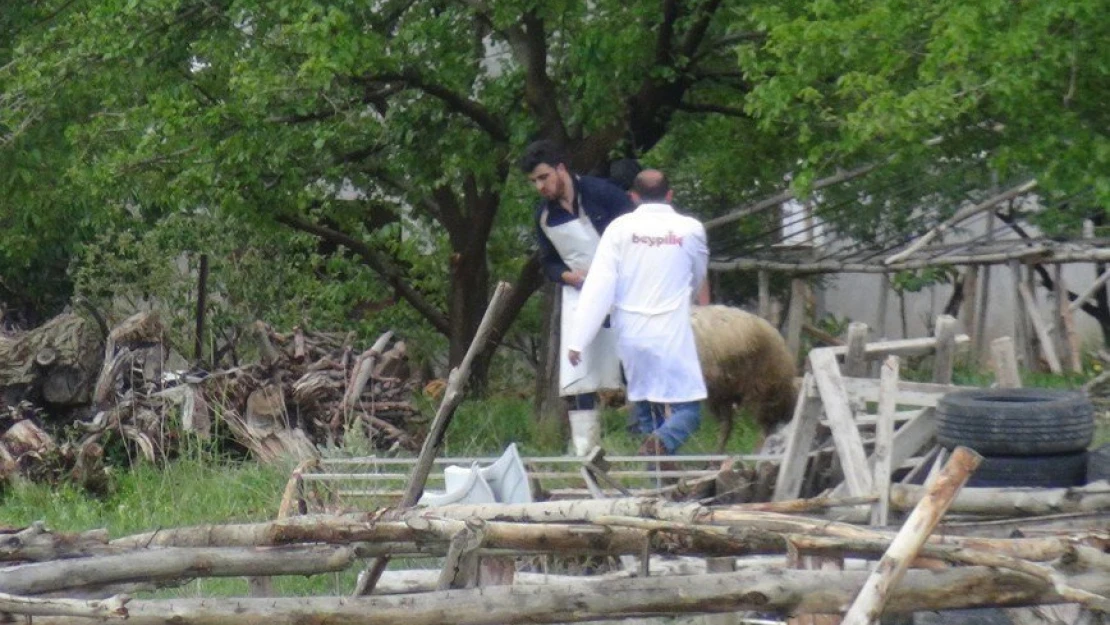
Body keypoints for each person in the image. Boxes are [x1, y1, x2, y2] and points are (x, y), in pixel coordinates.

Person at [566, 170, 709, 456]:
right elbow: (698, 275)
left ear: (633, 197)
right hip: (673, 333)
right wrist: (687, 301)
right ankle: (662, 442)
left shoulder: (619, 230)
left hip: (631, 335)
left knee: (647, 410)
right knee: (689, 409)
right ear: (670, 196)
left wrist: (577, 339)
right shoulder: (690, 229)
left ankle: (655, 481)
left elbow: (599, 286)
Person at [519, 140, 633, 443]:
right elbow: (549, 262)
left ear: (560, 169)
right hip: (580, 296)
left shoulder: (605, 194)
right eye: (534, 182)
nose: (540, 186)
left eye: (544, 177)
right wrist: (569, 276)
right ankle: (587, 454)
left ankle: (651, 445)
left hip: (624, 292)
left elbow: (635, 239)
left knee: (635, 365)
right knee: (579, 374)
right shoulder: (543, 216)